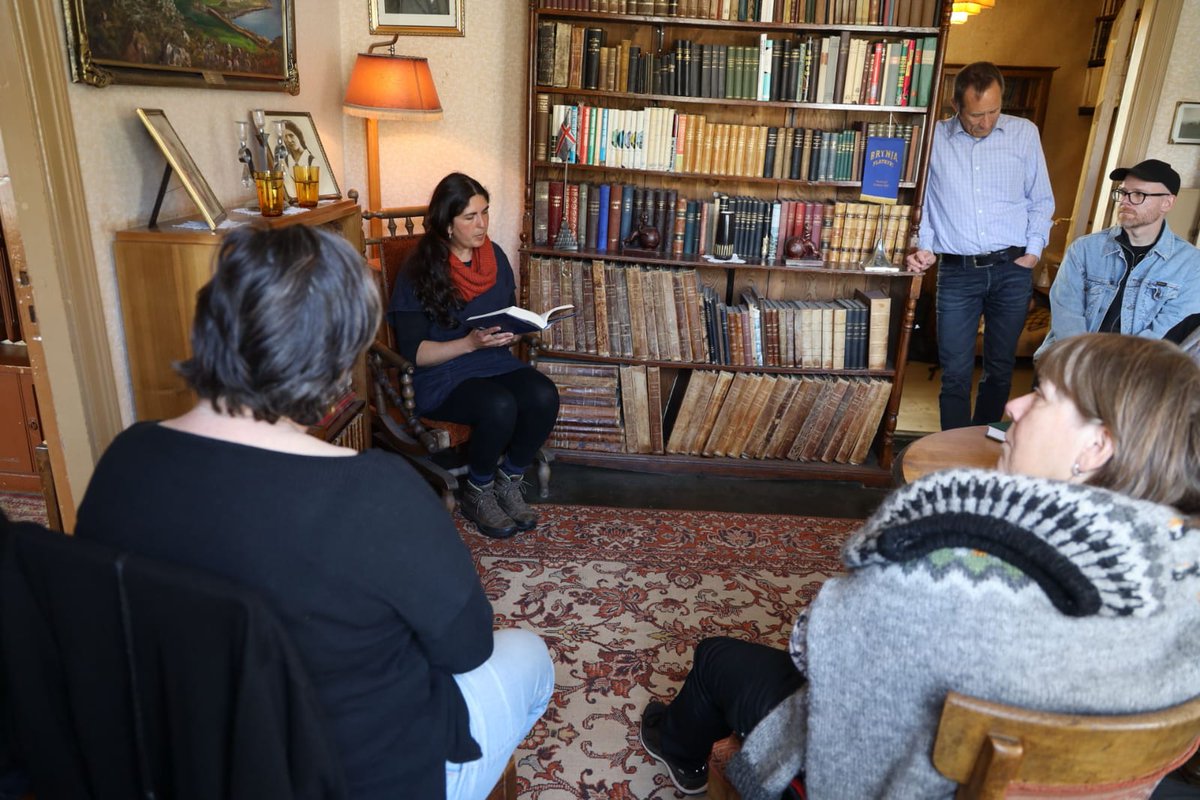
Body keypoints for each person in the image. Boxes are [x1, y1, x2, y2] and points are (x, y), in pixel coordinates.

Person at [74, 225, 554, 800]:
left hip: (191, 761)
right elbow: (467, 648)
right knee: (530, 656)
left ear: (211, 323)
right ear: (338, 356)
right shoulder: (377, 492)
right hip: (359, 777)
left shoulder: (125, 460)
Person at [640, 333, 1200, 798]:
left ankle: (677, 745)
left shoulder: (945, 565)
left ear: (1097, 446)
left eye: (1044, 396)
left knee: (717, 658)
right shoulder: (1184, 569)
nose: (1014, 405)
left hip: (899, 782)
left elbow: (812, 651)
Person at [389, 173, 560, 539]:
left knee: (544, 394)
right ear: (446, 223)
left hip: (491, 361)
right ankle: (478, 491)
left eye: (485, 212)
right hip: (443, 373)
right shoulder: (417, 270)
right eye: (470, 216)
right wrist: (469, 343)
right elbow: (416, 353)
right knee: (498, 405)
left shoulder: (494, 256)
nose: (482, 224)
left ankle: (509, 480)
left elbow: (505, 313)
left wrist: (515, 330)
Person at [906, 62, 1055, 431]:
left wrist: (1033, 252)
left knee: (1000, 368)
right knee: (954, 371)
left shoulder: (1024, 133)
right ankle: (954, 450)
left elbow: (1041, 199)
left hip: (1012, 268)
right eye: (976, 114)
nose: (986, 122)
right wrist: (924, 246)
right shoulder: (934, 137)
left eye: (993, 111)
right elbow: (921, 201)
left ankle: (983, 444)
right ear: (956, 106)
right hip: (957, 272)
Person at [1036, 159, 1200, 357]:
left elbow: (1167, 329)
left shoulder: (1191, 264)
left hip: (1135, 367)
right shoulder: (1084, 249)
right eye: (1122, 193)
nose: (1125, 201)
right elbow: (1067, 316)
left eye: (1138, 194)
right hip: (1073, 359)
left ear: (1167, 202)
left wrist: (1117, 370)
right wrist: (1085, 364)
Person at [279, 120, 314, 198]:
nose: (289, 140)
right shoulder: (285, 161)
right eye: (285, 137)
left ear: (298, 135)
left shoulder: (312, 161)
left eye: (291, 135)